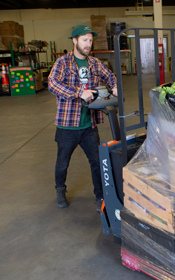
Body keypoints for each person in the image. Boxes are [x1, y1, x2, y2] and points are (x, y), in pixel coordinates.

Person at [48, 25, 117, 212]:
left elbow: (110, 76)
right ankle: (60, 189)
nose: (88, 44)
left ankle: (100, 196)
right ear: (74, 40)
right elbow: (52, 84)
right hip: (67, 126)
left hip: (89, 125)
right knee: (62, 163)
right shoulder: (63, 63)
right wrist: (80, 92)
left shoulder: (95, 63)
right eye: (84, 40)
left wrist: (115, 85)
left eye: (90, 40)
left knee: (97, 162)